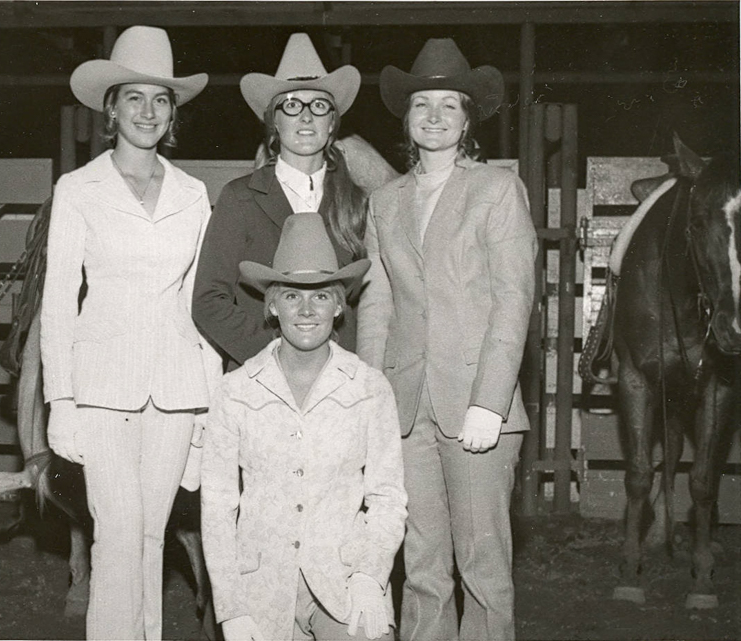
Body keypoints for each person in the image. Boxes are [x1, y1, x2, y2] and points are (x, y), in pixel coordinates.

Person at [40, 25, 220, 640]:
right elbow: (58, 302)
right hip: (101, 390)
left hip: (176, 390)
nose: (148, 111)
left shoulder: (193, 194)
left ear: (172, 114)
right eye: (134, 98)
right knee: (116, 532)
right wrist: (60, 403)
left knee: (150, 534)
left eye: (160, 99)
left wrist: (207, 406)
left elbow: (198, 305)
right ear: (110, 109)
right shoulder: (78, 189)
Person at [357, 38, 537, 641]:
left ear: (467, 121)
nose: (434, 116)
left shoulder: (497, 190)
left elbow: (514, 298)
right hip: (407, 405)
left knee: (483, 566)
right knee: (422, 567)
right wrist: (372, 397)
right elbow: (377, 305)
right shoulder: (385, 201)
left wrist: (491, 401)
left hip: (477, 406)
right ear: (406, 119)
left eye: (449, 105)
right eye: (421, 104)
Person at [201, 213, 407, 641]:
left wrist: (369, 576)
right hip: (261, 587)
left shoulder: (369, 387)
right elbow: (218, 508)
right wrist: (231, 608)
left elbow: (387, 498)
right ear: (272, 306)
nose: (307, 311)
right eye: (292, 297)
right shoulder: (236, 390)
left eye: (321, 296)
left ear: (339, 306)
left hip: (342, 580)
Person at [193, 32, 369, 371]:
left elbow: (365, 305)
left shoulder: (357, 202)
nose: (306, 117)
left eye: (319, 105)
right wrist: (276, 356)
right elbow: (208, 300)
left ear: (332, 122)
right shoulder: (240, 197)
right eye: (291, 105)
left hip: (338, 377)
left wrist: (340, 365)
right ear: (274, 121)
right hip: (259, 374)